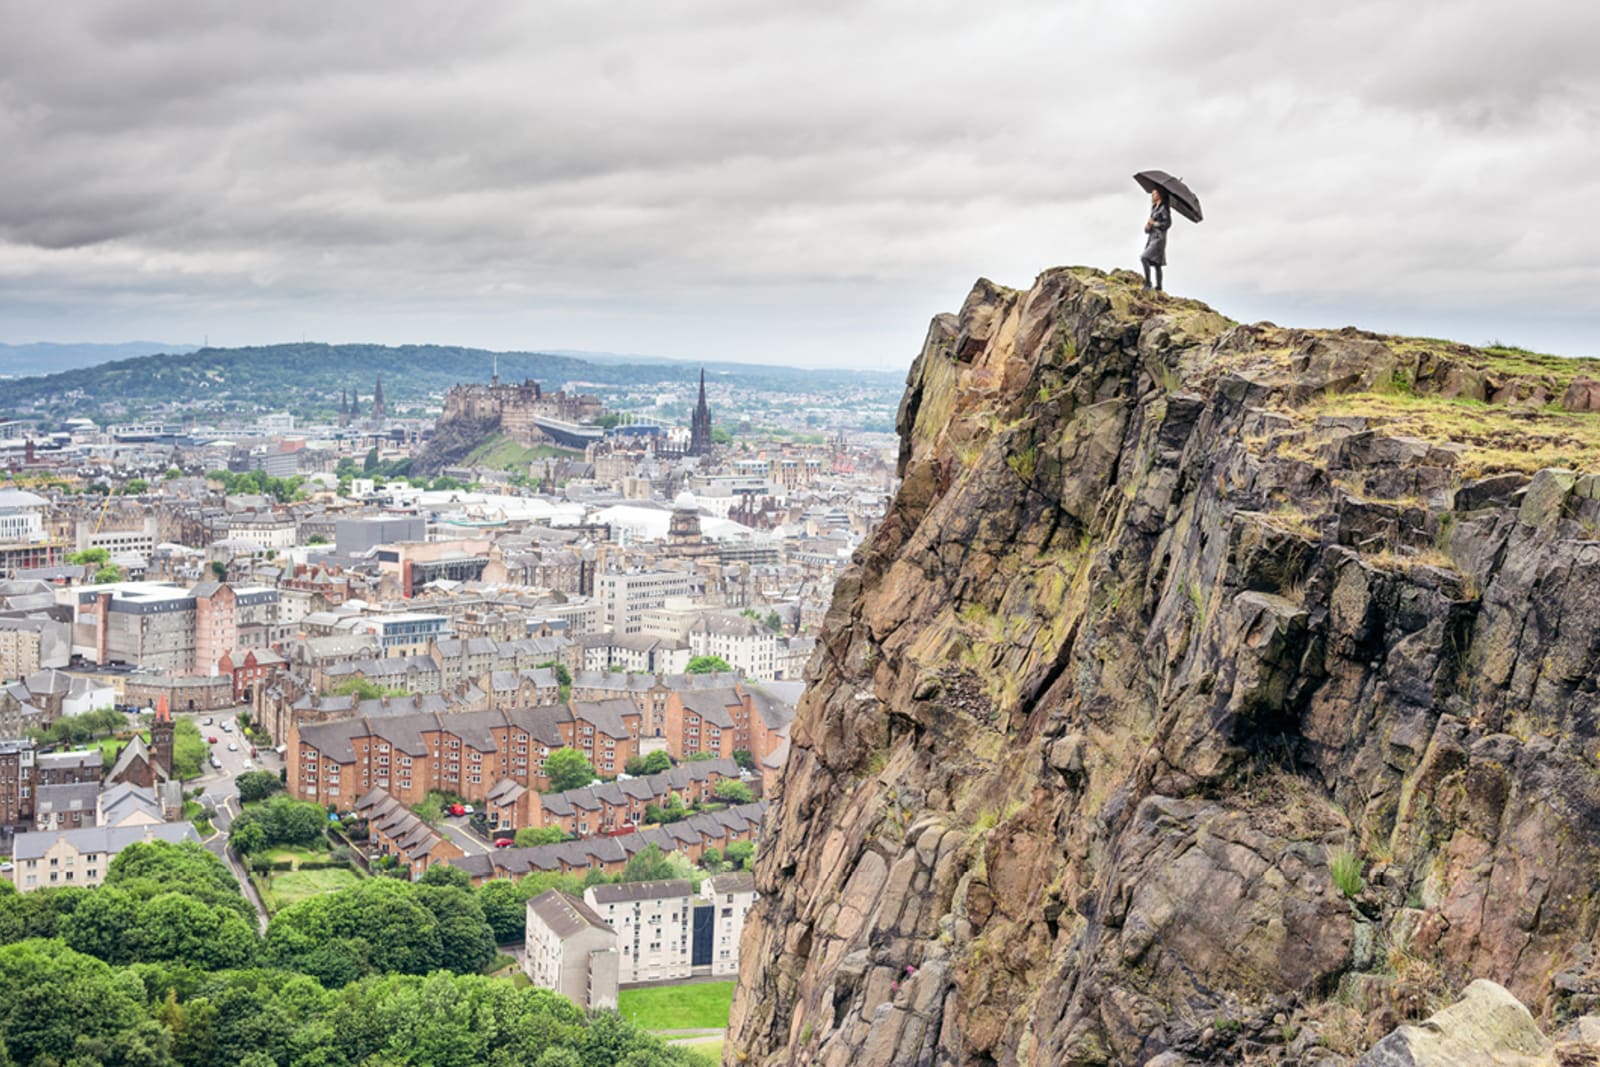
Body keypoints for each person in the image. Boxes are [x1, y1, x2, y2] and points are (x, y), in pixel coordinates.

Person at [1141, 187, 1171, 291]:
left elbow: (1167, 224)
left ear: (1160, 195)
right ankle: (1159, 287)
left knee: (1144, 257)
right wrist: (1147, 227)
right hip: (1152, 237)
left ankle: (1148, 284)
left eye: (1154, 194)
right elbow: (1150, 225)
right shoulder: (1154, 208)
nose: (1152, 196)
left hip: (1159, 239)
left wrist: (1154, 223)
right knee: (1157, 263)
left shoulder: (1164, 208)